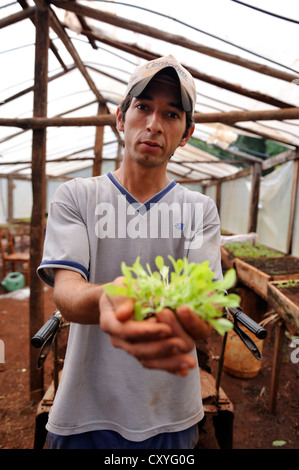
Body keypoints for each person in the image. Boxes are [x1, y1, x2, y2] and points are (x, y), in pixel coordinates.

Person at [37, 54, 223, 450]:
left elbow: (206, 312)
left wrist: (195, 312)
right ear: (121, 118)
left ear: (187, 133)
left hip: (169, 415)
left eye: (172, 115)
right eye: (143, 107)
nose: (154, 125)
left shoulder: (199, 210)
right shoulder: (78, 197)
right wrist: (112, 295)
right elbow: (67, 294)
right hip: (84, 413)